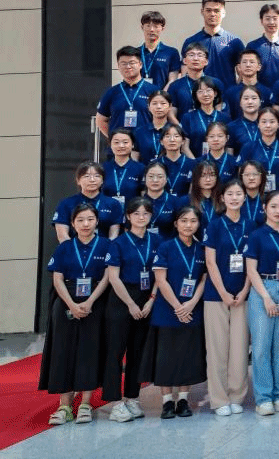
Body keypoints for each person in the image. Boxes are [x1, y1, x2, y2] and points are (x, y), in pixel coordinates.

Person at [40, 203, 111, 425]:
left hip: (95, 300)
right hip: (65, 301)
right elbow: (57, 278)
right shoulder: (65, 247)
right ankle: (64, 406)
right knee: (63, 352)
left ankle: (86, 404)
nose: (85, 224)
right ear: (72, 224)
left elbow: (108, 276)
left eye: (90, 219)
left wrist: (90, 301)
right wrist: (71, 305)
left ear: (97, 221)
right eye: (80, 220)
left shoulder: (106, 245)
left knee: (90, 350)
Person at [140, 205, 208, 419]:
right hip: (167, 310)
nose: (188, 225)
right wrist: (179, 307)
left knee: (188, 356)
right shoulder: (165, 247)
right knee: (166, 357)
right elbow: (161, 280)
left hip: (193, 310)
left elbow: (204, 279)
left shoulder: (202, 249)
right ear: (176, 223)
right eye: (184, 221)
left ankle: (183, 400)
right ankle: (167, 402)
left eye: (193, 221)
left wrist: (192, 303)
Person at [244, 190, 279, 415]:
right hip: (263, 288)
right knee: (261, 347)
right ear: (264, 208)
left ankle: (278, 394)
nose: (278, 211)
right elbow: (251, 270)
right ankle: (264, 398)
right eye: (273, 206)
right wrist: (265, 297)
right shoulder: (256, 235)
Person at [102, 198, 159, 422]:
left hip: (146, 299)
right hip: (122, 300)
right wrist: (131, 304)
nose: (141, 217)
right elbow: (113, 277)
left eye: (145, 213)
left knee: (138, 352)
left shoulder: (156, 241)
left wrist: (151, 300)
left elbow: (160, 273)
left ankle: (132, 398)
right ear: (128, 216)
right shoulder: (118, 243)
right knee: (115, 352)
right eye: (136, 213)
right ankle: (115, 403)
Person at [202, 179, 252, 415]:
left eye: (238, 194)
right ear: (222, 198)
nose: (234, 198)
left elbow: (253, 262)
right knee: (217, 349)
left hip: (243, 295)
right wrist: (222, 291)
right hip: (216, 295)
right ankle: (219, 399)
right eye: (229, 194)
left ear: (244, 197)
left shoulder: (251, 225)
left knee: (240, 348)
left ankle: (236, 396)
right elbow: (210, 262)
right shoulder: (214, 225)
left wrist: (244, 290)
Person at [52, 161, 125, 241]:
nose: (92, 180)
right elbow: (62, 236)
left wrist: (105, 248)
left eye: (97, 176)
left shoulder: (113, 204)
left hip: (105, 248)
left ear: (102, 180)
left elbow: (114, 235)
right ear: (78, 180)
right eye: (86, 176)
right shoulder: (66, 204)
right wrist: (72, 248)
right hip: (74, 247)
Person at [183, 0, 245, 87]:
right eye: (208, 10)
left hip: (226, 93)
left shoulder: (234, 42)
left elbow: (243, 72)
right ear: (202, 12)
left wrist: (235, 90)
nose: (212, 14)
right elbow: (184, 72)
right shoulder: (191, 41)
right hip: (199, 93)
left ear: (223, 13)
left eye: (216, 11)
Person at [96, 46, 159, 137]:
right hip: (120, 145)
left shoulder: (154, 91)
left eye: (132, 63)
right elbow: (101, 120)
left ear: (140, 64)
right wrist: (113, 139)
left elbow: (162, 120)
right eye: (123, 63)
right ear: (118, 66)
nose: (128, 66)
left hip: (145, 144)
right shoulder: (111, 92)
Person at [138, 10, 182, 86]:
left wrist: (162, 93)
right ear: (142, 27)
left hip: (163, 93)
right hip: (139, 93)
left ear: (162, 28)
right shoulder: (135, 53)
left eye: (156, 26)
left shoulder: (171, 52)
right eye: (148, 25)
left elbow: (172, 80)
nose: (152, 29)